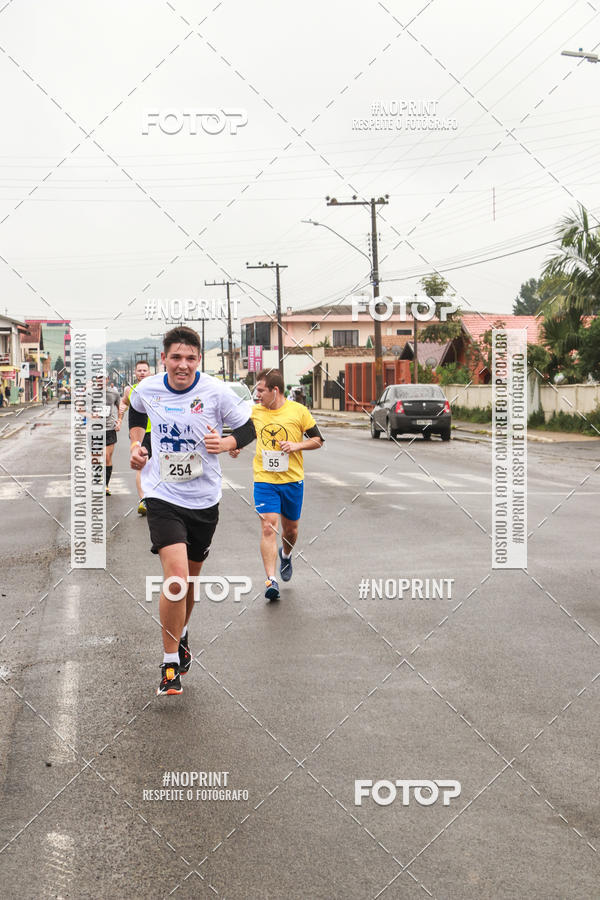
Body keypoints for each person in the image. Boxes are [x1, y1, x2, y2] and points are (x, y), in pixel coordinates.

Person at [129, 326, 255, 697]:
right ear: (163, 358)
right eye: (175, 358)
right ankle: (170, 664)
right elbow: (137, 415)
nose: (182, 365)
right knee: (176, 579)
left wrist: (228, 441)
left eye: (190, 358)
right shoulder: (148, 388)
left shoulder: (215, 391)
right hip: (162, 495)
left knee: (190, 585)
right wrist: (138, 445)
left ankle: (181, 632)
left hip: (203, 500)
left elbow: (249, 428)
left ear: (199, 360)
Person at [233, 369, 324, 601]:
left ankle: (286, 554)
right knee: (268, 526)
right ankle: (270, 580)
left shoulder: (298, 411)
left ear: (275, 391)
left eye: (261, 391)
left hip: (292, 480)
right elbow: (243, 435)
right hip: (265, 479)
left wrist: (296, 446)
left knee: (291, 530)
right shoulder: (256, 412)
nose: (257, 395)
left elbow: (318, 440)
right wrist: (235, 446)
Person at [118, 360, 152, 515]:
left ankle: (159, 498)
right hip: (139, 433)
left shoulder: (157, 388)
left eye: (145, 370)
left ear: (149, 372)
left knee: (157, 465)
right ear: (135, 373)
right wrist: (120, 416)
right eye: (139, 370)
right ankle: (143, 499)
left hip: (157, 433)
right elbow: (123, 403)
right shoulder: (129, 390)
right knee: (142, 465)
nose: (142, 373)